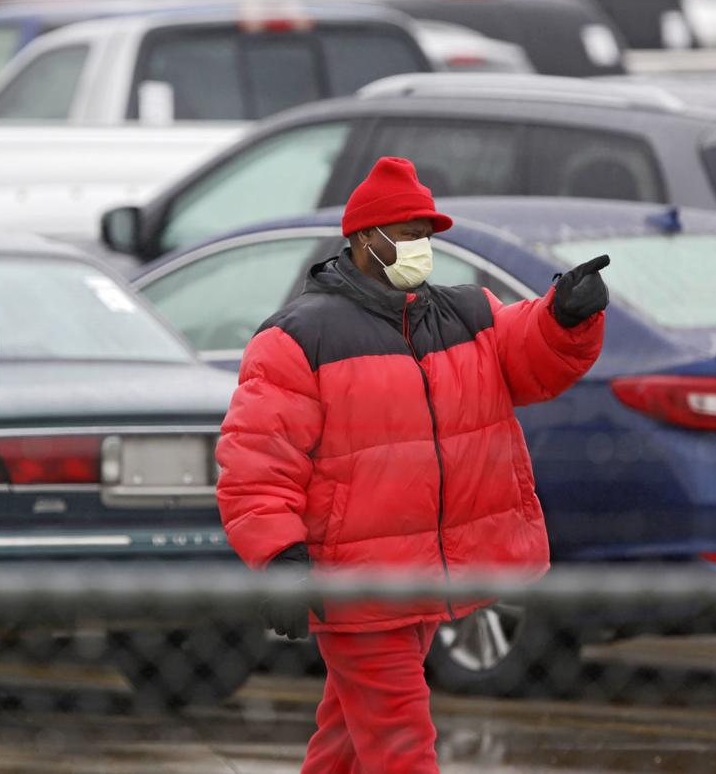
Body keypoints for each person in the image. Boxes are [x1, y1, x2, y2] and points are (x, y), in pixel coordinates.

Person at [215, 157, 608, 773]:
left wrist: (565, 317)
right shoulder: (297, 339)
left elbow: (530, 353)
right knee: (401, 743)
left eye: (427, 234)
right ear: (365, 239)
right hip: (357, 581)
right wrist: (281, 558)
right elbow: (257, 462)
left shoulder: (465, 313)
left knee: (349, 739)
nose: (421, 247)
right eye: (408, 233)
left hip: (427, 576)